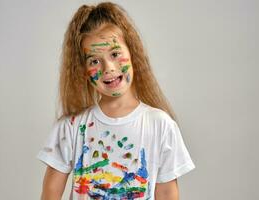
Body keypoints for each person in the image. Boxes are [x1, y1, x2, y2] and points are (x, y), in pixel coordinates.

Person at [36, 2, 195, 200]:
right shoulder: (71, 127)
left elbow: (167, 194)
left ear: (133, 53)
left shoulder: (161, 125)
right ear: (83, 71)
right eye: (94, 61)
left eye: (115, 54)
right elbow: (50, 193)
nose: (108, 67)